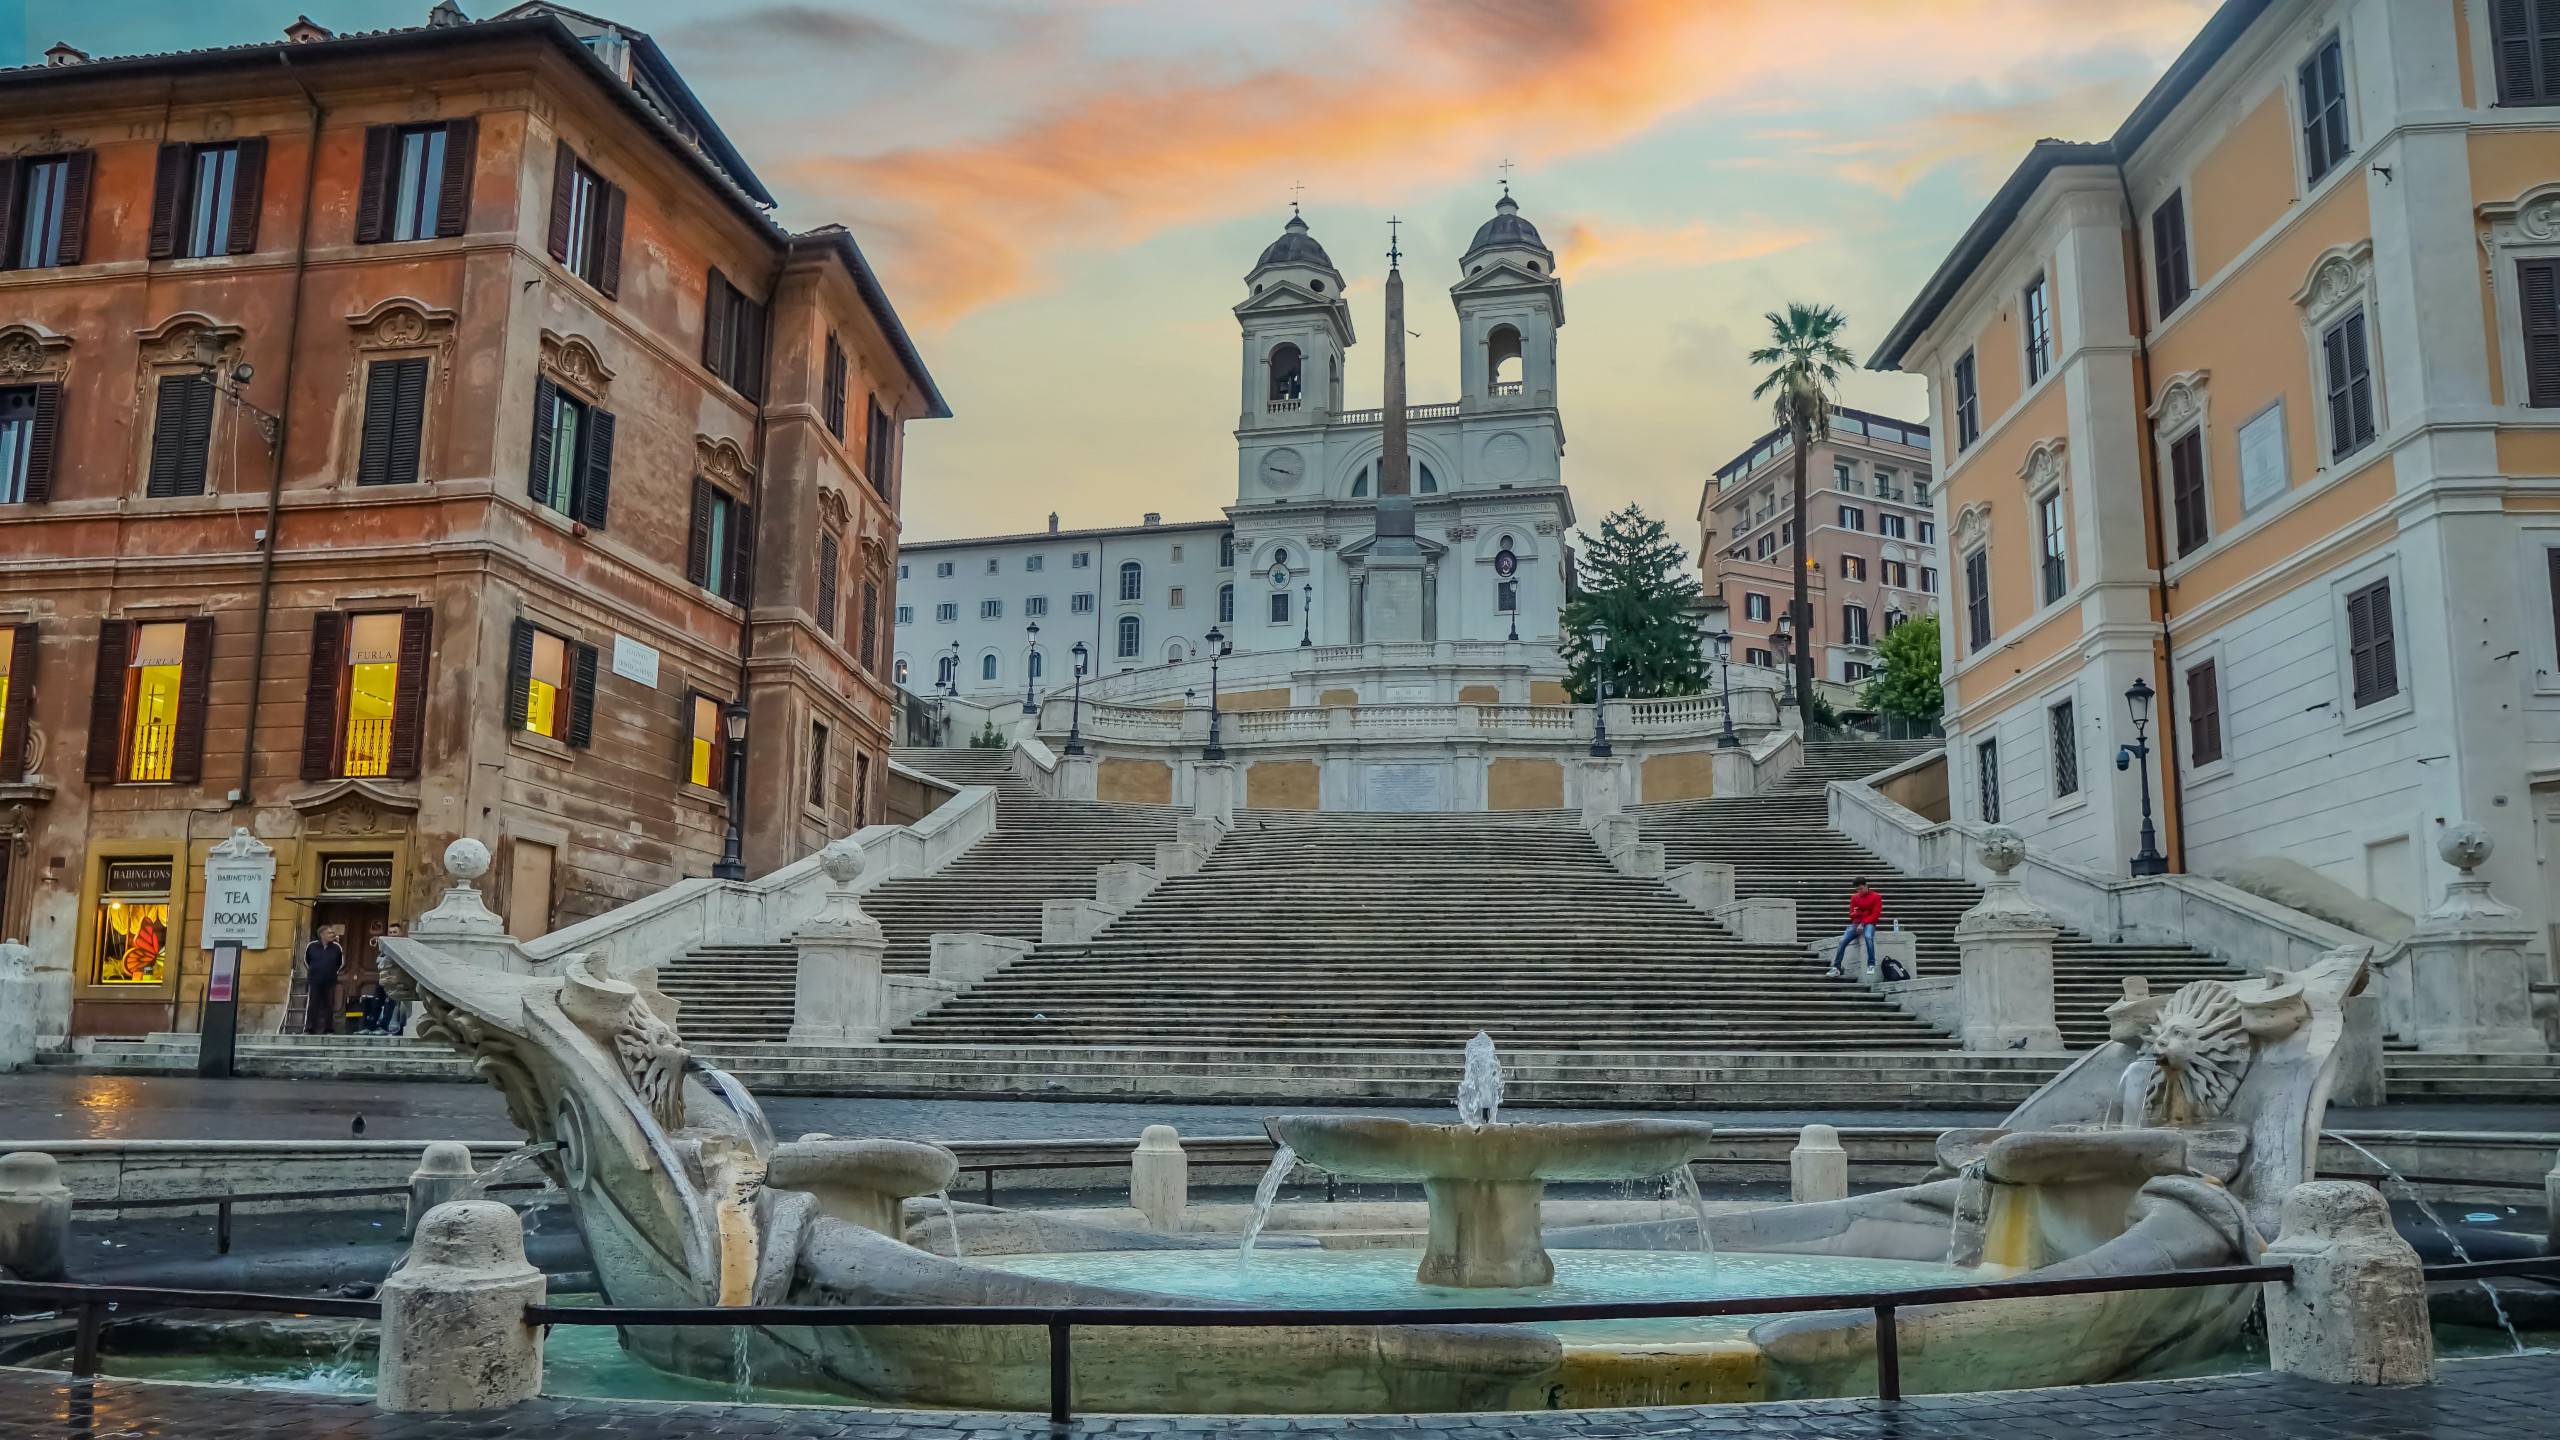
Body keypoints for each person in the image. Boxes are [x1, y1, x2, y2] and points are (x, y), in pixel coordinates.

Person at [1826, 879, 1883, 979]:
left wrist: (1863, 922)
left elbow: (1875, 915)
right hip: (1856, 923)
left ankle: (1871, 964)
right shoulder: (1855, 897)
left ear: (1866, 886)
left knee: (1868, 937)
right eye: (1857, 890)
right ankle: (1836, 967)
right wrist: (1858, 913)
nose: (1859, 891)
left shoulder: (1876, 897)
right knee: (1842, 941)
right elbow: (1851, 914)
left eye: (1861, 889)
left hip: (1869, 923)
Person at [303, 925, 346, 1035]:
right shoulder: (311, 946)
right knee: (313, 1004)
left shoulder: (337, 947)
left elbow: (340, 963)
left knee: (329, 1005)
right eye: (329, 933)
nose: (332, 935)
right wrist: (313, 971)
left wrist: (332, 972)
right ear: (322, 934)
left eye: (332, 933)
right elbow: (306, 961)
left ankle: (328, 1029)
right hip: (315, 980)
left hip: (329, 980)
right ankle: (309, 1029)